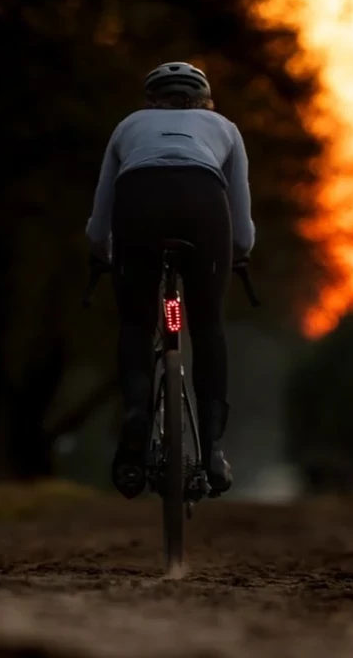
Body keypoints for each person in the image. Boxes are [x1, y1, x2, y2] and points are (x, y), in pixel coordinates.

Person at [85, 61, 255, 499]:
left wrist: (102, 254)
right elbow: (243, 226)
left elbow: (98, 221)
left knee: (137, 325)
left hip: (139, 205)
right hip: (203, 207)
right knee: (208, 326)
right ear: (203, 99)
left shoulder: (128, 126)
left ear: (151, 100)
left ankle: (136, 417)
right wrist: (238, 254)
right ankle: (214, 452)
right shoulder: (225, 127)